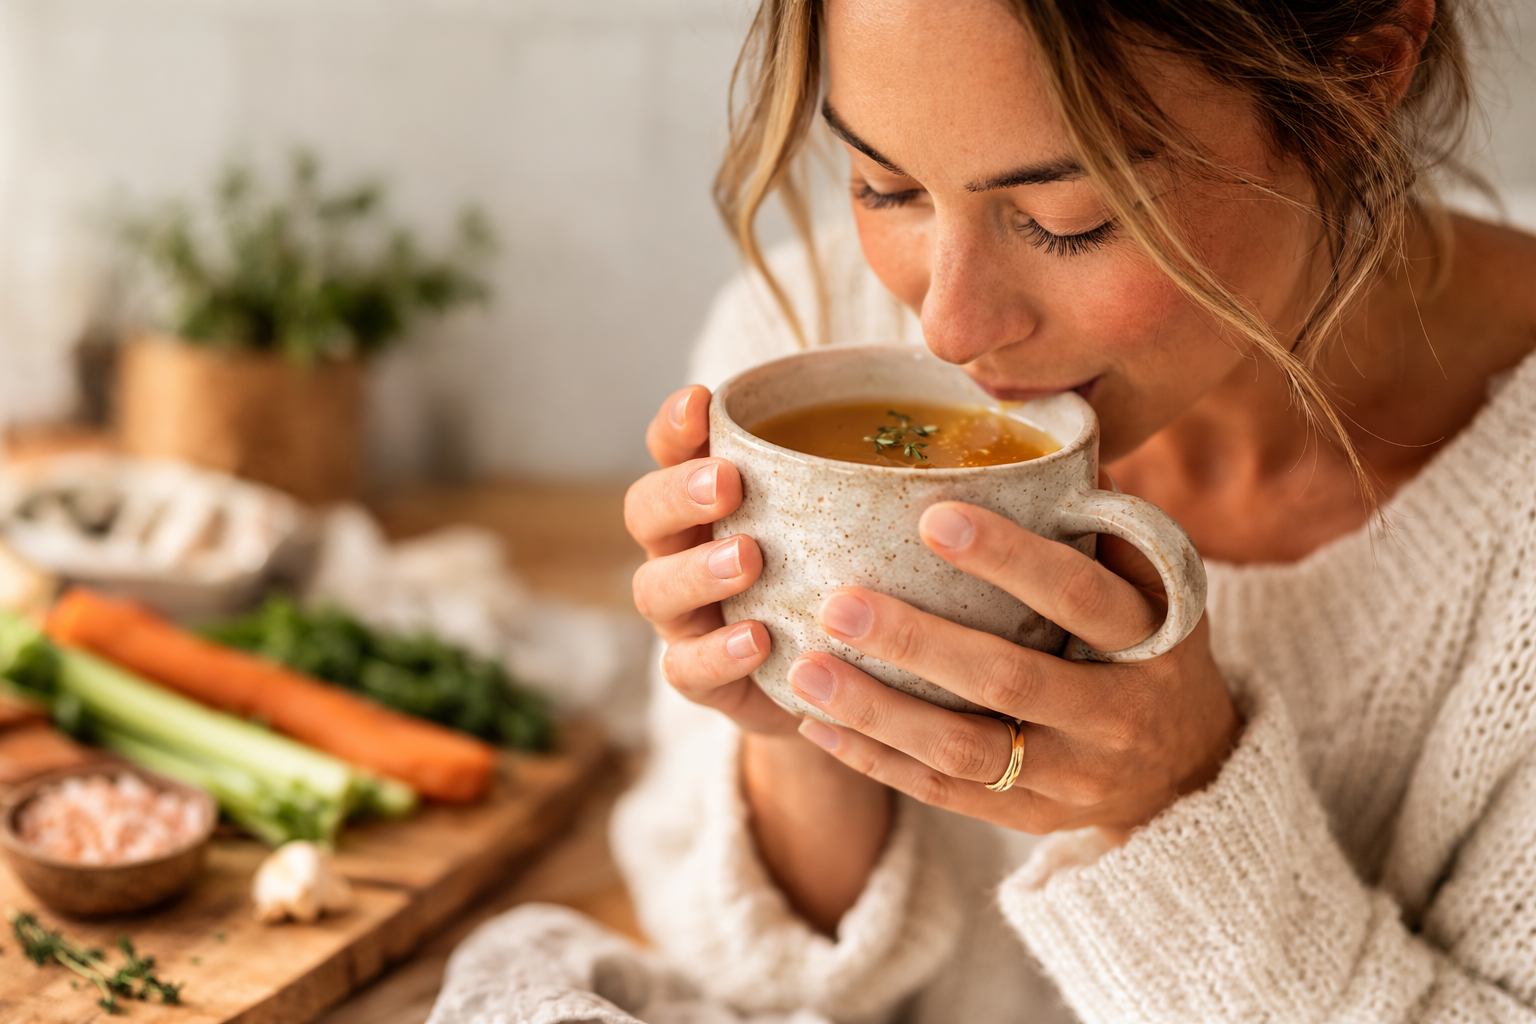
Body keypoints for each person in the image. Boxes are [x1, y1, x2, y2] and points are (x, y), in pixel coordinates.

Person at [611, 1, 1536, 1021]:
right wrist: (806, 715)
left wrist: (1177, 799)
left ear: (1364, 73)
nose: (950, 327)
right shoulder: (807, 348)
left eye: (1069, 220)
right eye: (886, 186)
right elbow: (742, 986)